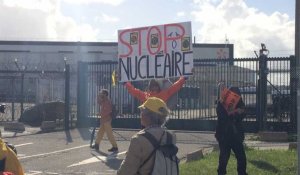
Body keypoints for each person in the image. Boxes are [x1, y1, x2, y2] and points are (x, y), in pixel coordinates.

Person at [117, 97, 176, 175]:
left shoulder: (139, 139)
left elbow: (127, 170)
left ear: (148, 115)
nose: (141, 114)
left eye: (142, 111)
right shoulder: (170, 136)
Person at [215, 86, 248, 175]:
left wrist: (239, 112)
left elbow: (244, 112)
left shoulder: (239, 102)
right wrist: (230, 112)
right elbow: (221, 115)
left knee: (241, 158)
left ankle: (242, 173)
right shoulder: (221, 102)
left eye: (237, 95)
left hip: (236, 135)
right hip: (224, 136)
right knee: (223, 159)